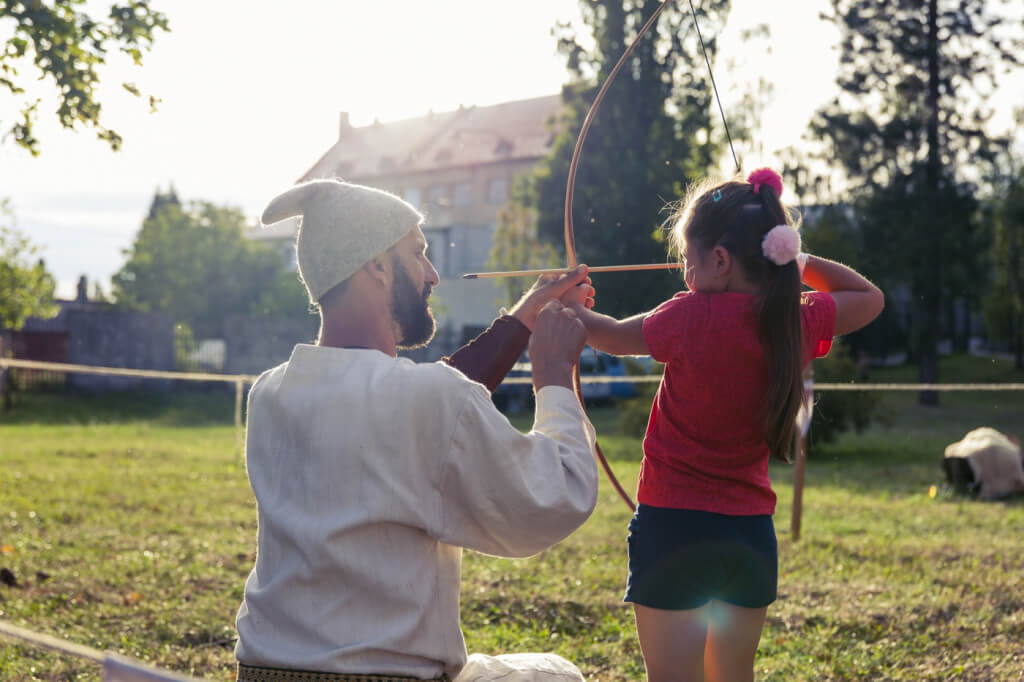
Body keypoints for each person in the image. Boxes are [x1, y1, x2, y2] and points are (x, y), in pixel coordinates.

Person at [234, 179, 601, 682]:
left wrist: (523, 320)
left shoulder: (270, 394)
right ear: (377, 266)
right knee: (556, 677)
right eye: (418, 253)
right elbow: (554, 499)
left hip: (263, 674)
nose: (432, 274)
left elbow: (412, 406)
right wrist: (555, 372)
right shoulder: (422, 401)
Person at [567, 168, 885, 682]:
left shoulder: (688, 314)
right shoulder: (792, 320)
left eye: (689, 262)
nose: (686, 277)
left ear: (719, 260)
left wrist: (571, 303)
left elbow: (608, 336)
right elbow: (869, 298)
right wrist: (793, 262)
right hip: (748, 537)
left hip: (672, 528)